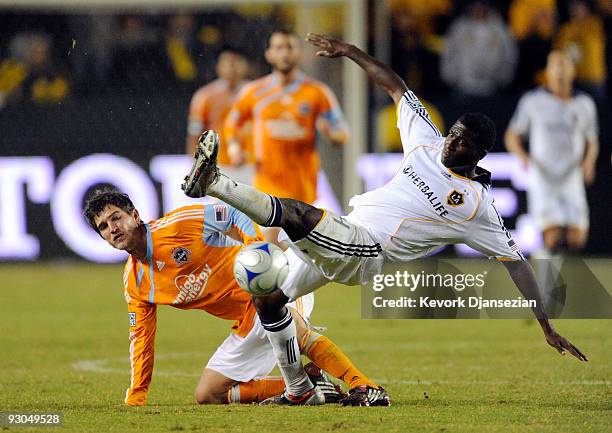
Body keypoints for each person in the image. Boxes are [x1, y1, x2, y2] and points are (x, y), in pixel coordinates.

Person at [181, 32, 588, 405]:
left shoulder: (475, 205)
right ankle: (299, 389)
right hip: (349, 226)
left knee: (296, 212)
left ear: (478, 155)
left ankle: (215, 182)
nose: (452, 143)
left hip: (366, 250)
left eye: (463, 142)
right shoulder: (427, 143)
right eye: (453, 133)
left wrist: (546, 325)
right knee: (269, 299)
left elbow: (515, 262)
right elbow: (396, 86)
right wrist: (348, 51)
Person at [83, 188, 386, 406]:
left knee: (295, 330)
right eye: (104, 227)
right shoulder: (136, 283)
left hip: (272, 284)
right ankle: (310, 385)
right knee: (208, 395)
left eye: (116, 217)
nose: (113, 228)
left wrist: (257, 248)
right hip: (245, 320)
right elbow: (141, 337)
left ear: (134, 215)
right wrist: (138, 393)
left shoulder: (178, 225)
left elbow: (231, 215)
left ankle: (363, 384)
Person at [224, 29, 349, 206]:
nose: (284, 53)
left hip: (304, 189)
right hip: (266, 187)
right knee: (268, 232)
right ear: (269, 54)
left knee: (301, 233)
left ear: (299, 53)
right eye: (279, 47)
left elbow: (342, 132)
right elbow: (232, 124)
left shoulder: (317, 92)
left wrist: (332, 134)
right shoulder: (253, 92)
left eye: (290, 47)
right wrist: (234, 147)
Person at [505, 50, 599, 255]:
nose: (560, 71)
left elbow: (592, 140)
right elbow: (512, 135)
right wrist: (523, 157)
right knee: (553, 235)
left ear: (573, 71)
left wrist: (589, 162)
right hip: (544, 174)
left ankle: (568, 277)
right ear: (547, 71)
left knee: (577, 238)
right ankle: (545, 278)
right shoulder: (533, 101)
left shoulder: (584, 104)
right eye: (555, 65)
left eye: (564, 65)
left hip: (571, 174)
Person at [186, 48, 254, 183]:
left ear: (245, 66)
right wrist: (194, 166)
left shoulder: (256, 93)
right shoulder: (205, 96)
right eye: (227, 63)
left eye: (235, 62)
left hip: (252, 166)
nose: (231, 68)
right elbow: (194, 133)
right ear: (218, 67)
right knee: (221, 205)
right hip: (220, 166)